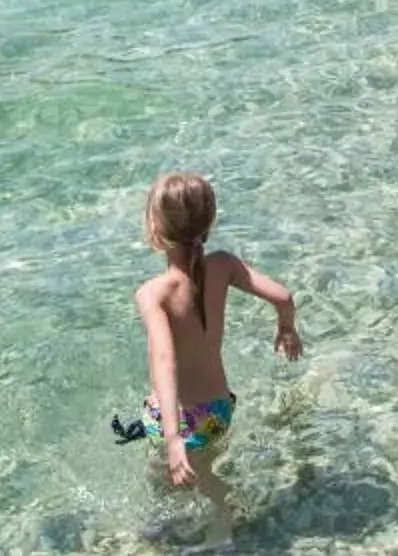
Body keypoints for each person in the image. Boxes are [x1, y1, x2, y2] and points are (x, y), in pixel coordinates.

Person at [122, 172, 301, 546]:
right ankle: (192, 524)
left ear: (155, 229)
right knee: (195, 469)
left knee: (182, 473)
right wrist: (286, 329)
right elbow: (283, 296)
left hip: (177, 420)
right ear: (210, 221)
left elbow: (165, 361)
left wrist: (173, 437)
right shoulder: (223, 265)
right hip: (219, 409)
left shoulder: (153, 293)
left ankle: (223, 531)